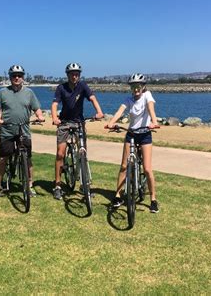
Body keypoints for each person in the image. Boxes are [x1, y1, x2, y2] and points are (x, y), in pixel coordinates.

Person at [106, 73, 160, 213]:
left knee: (147, 169)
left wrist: (154, 122)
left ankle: (153, 199)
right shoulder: (128, 100)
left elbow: (150, 109)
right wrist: (111, 122)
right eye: (133, 87)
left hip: (145, 135)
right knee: (124, 166)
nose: (136, 89)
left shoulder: (147, 96)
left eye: (138, 86)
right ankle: (118, 195)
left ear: (143, 87)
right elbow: (120, 111)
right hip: (131, 134)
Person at [51, 62, 104, 200]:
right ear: (67, 75)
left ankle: (85, 184)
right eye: (72, 74)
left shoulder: (83, 86)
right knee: (60, 154)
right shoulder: (61, 88)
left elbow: (92, 98)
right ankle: (57, 185)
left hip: (79, 122)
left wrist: (99, 112)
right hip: (64, 123)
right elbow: (55, 104)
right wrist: (54, 117)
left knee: (82, 153)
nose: (75, 76)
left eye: (77, 74)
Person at [0, 64, 45, 198]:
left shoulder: (29, 93)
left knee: (27, 159)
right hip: (7, 130)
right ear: (10, 77)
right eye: (14, 75)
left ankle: (30, 185)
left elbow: (36, 108)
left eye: (19, 75)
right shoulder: (3, 92)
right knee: (3, 159)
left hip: (24, 130)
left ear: (23, 77)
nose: (17, 77)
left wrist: (39, 116)